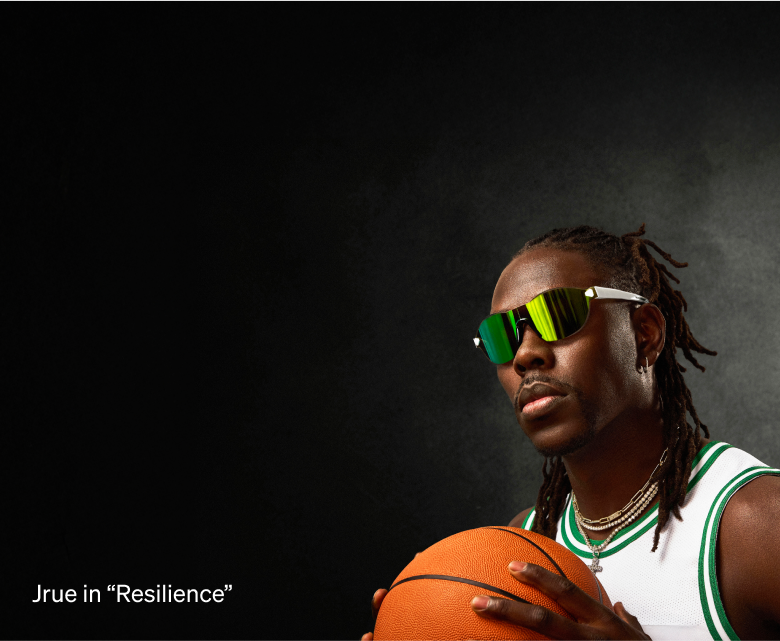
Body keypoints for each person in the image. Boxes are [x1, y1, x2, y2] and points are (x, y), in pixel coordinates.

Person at [362, 225, 780, 641]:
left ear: (645, 334)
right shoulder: (524, 543)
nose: (525, 354)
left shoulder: (755, 522)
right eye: (502, 336)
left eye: (558, 315)